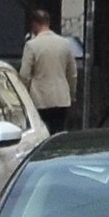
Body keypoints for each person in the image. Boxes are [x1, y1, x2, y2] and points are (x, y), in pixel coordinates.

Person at [19, 9, 78, 137]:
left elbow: (24, 75)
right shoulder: (65, 44)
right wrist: (71, 94)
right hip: (62, 98)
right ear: (48, 23)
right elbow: (72, 74)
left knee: (42, 136)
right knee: (59, 134)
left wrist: (24, 97)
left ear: (34, 24)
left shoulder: (31, 45)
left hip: (40, 99)